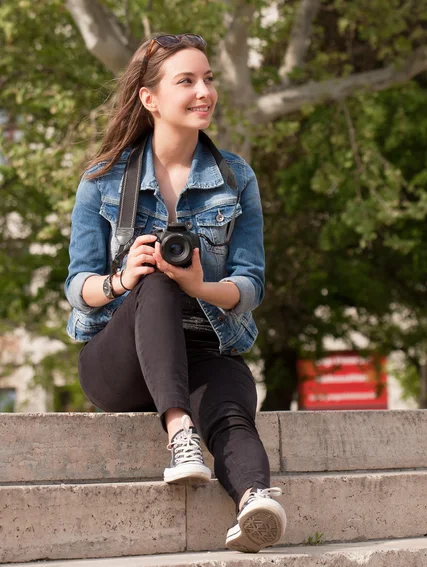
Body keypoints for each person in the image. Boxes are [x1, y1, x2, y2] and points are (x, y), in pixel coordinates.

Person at [64, 33, 286, 553]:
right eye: (186, 81)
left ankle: (255, 501)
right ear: (150, 98)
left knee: (233, 404)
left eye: (208, 79)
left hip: (204, 347)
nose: (204, 91)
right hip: (119, 364)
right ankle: (179, 432)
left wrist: (201, 285)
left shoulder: (236, 179)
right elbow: (78, 287)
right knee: (156, 281)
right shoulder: (101, 181)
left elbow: (250, 284)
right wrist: (124, 279)